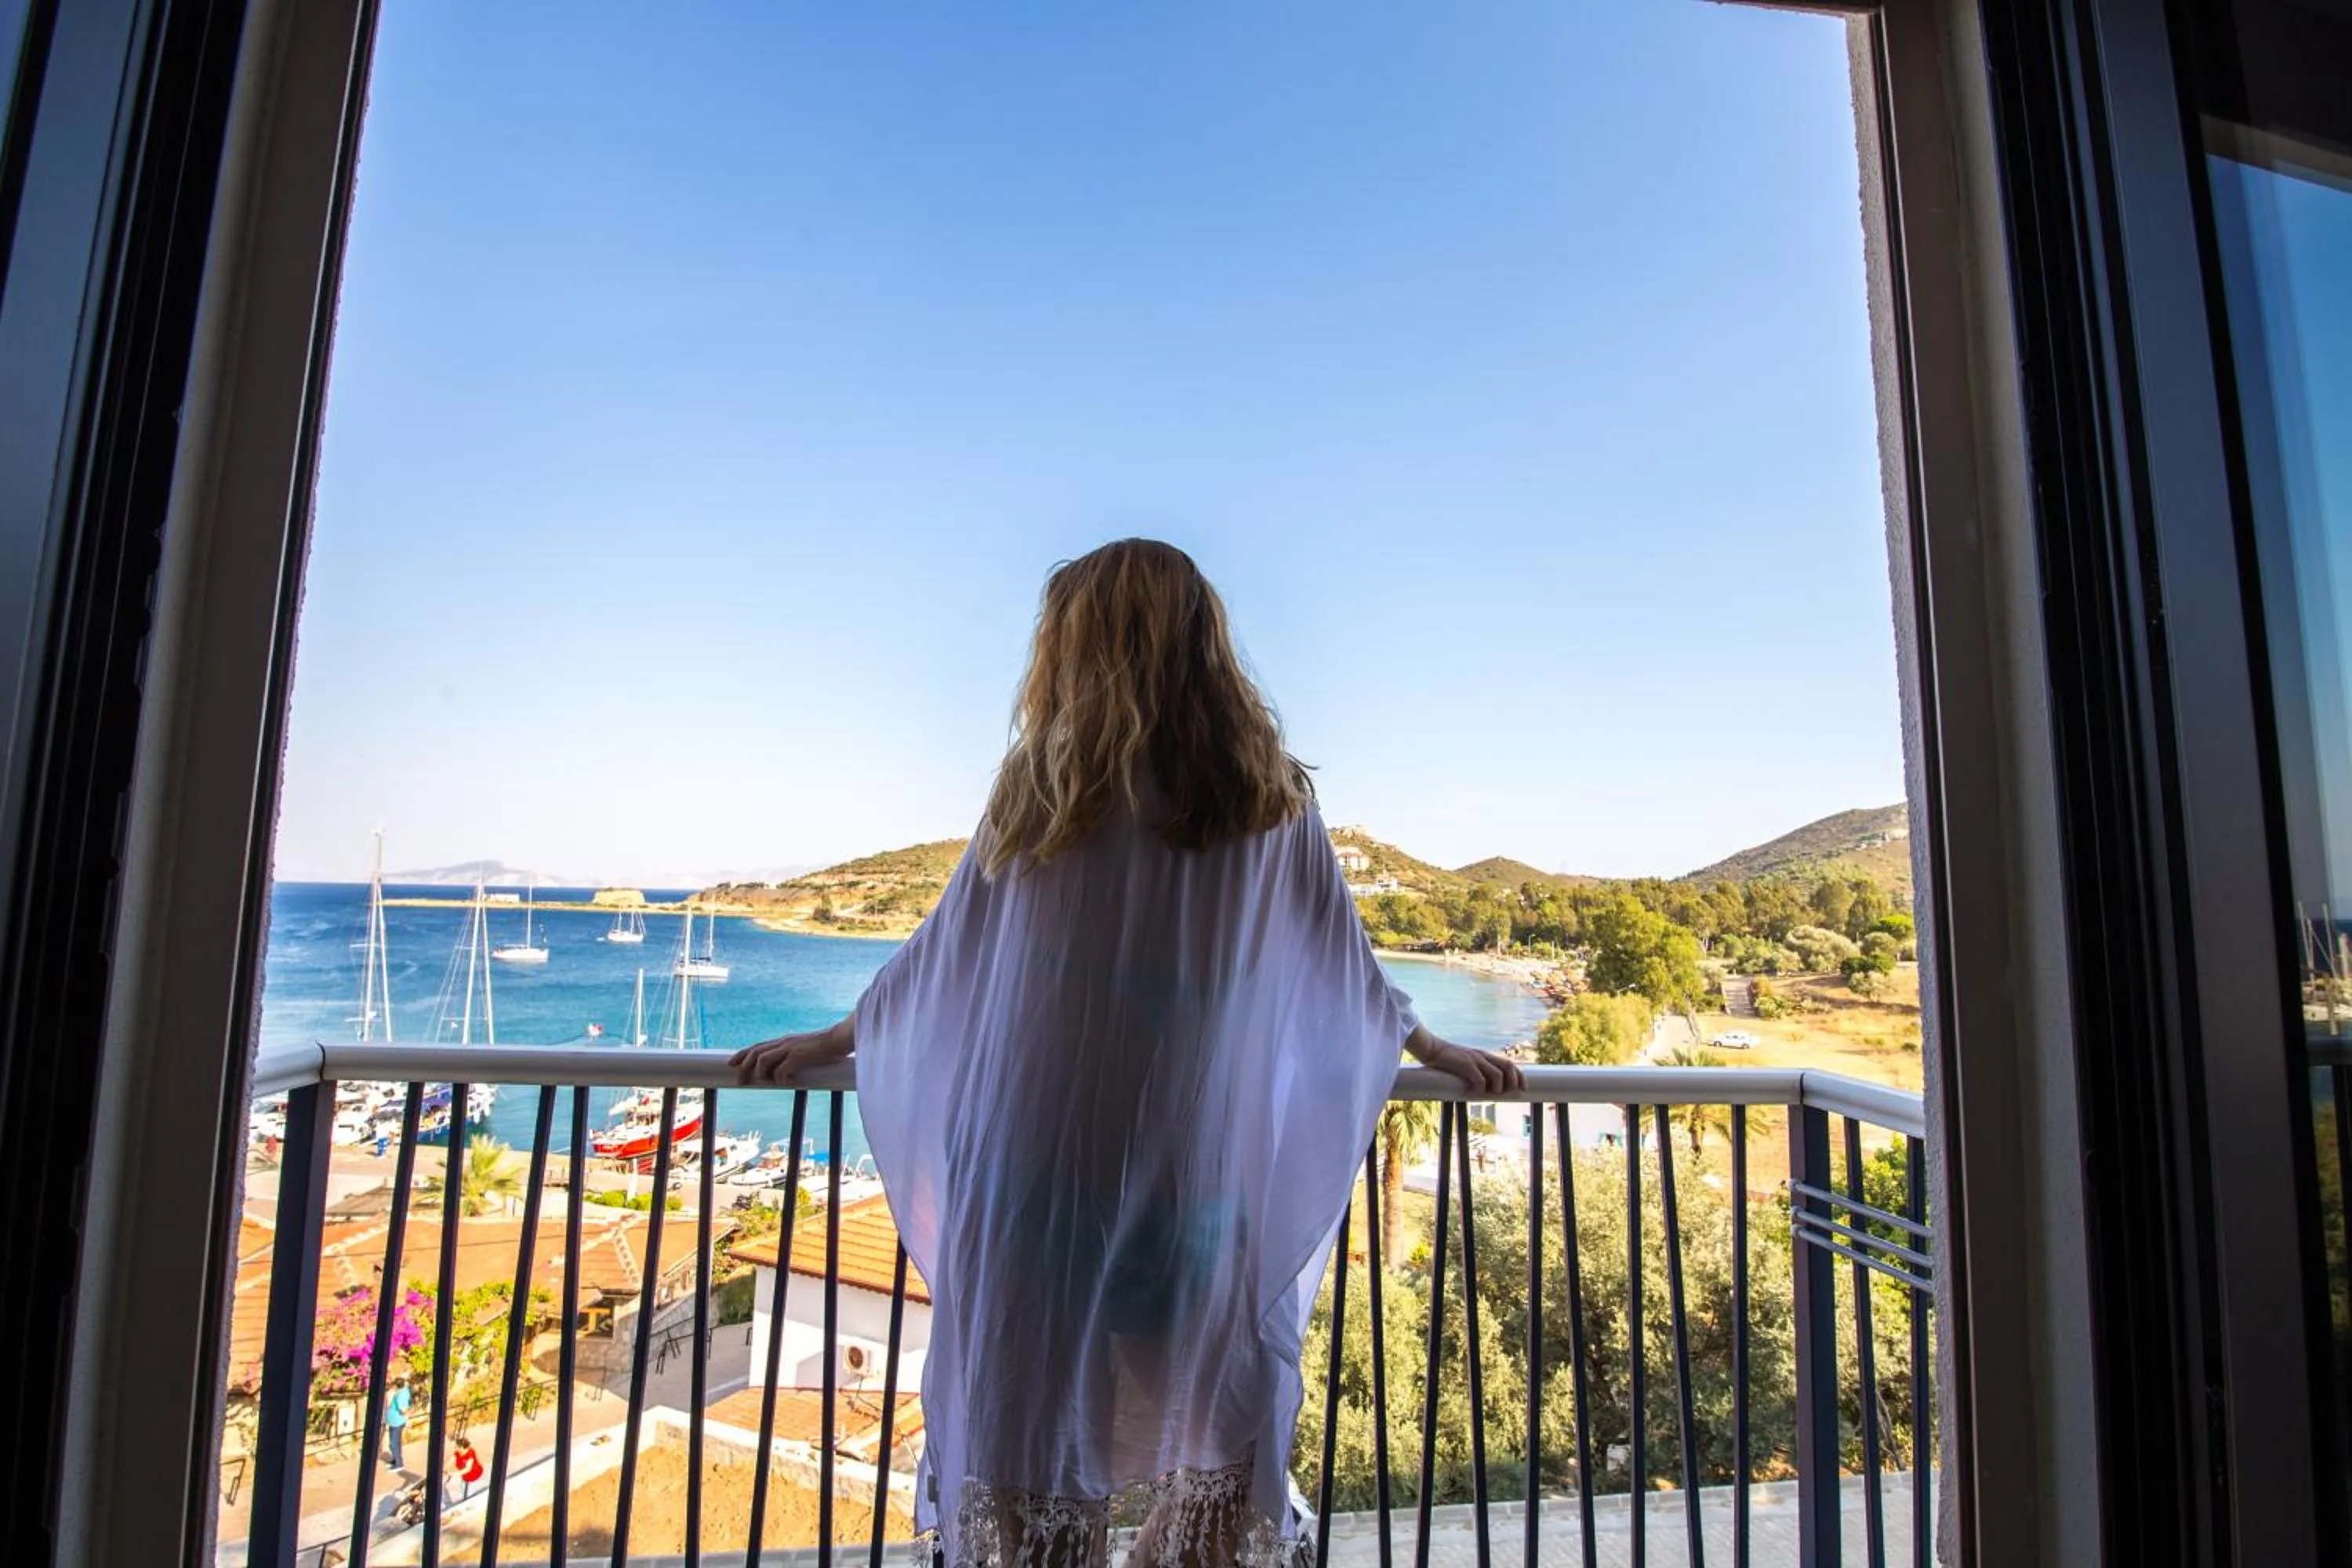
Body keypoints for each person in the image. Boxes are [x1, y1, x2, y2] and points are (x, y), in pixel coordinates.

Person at [735, 539, 1519, 1568]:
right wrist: (1426, 1043)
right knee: (1223, 1472)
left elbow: (944, 957)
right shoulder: (1263, 799)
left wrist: (843, 1036)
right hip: (1187, 1187)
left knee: (1033, 1473)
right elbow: (1345, 964)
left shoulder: (1045, 792)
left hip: (1028, 1186)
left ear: (1079, 644)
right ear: (1203, 643)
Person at [383, 1373, 412, 1472]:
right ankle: (395, 1460)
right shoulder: (405, 1390)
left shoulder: (400, 1397)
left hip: (397, 1423)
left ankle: (399, 1464)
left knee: (394, 1444)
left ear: (397, 1386)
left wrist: (408, 1417)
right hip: (394, 1422)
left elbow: (403, 1411)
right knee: (395, 1443)